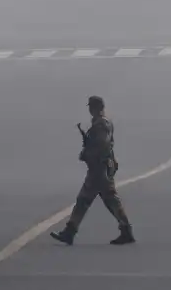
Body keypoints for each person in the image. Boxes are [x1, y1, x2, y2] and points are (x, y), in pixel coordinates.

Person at [50, 95, 135, 246]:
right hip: (100, 168)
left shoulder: (100, 125)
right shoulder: (104, 123)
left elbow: (101, 146)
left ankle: (70, 231)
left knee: (88, 200)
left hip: (98, 170)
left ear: (94, 108)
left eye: (91, 107)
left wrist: (87, 153)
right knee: (106, 200)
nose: (89, 109)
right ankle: (125, 229)